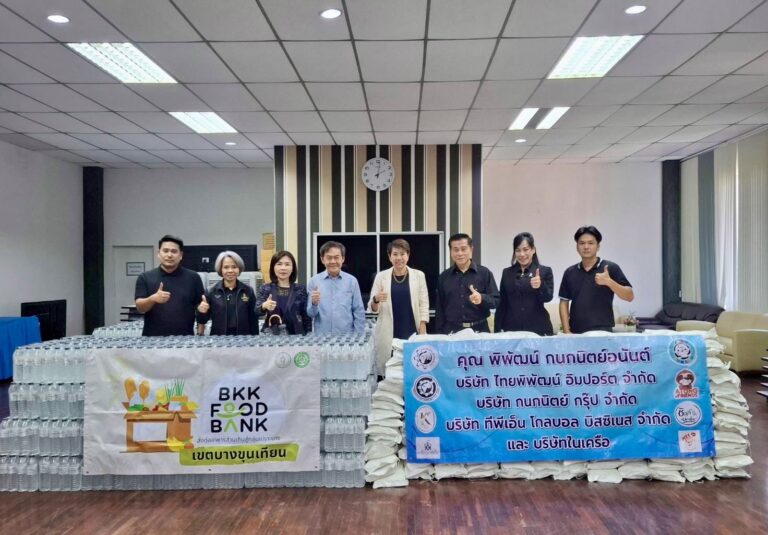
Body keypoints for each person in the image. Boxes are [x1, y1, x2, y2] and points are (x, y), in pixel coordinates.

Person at [368, 239, 430, 373]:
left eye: (402, 254)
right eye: (395, 254)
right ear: (389, 256)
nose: (399, 258)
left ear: (408, 255)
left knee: (414, 369)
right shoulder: (381, 277)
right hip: (388, 331)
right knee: (389, 372)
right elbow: (372, 309)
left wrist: (423, 328)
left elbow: (424, 303)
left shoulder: (419, 275)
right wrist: (376, 300)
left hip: (412, 329)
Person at [558, 225, 634, 334]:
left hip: (602, 331)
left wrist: (609, 282)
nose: (586, 247)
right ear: (577, 247)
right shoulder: (570, 272)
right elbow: (564, 302)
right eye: (582, 243)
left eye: (591, 243)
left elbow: (629, 296)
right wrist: (566, 331)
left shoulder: (610, 268)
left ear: (598, 246)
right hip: (576, 332)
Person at [135, 234, 205, 336]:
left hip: (185, 339)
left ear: (181, 255)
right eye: (165, 251)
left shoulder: (193, 278)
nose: (169, 255)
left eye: (174, 251)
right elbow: (140, 308)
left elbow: (201, 307)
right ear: (158, 253)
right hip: (152, 339)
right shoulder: (145, 277)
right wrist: (153, 299)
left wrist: (200, 332)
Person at [435, 233, 500, 334]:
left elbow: (496, 301)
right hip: (452, 331)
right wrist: (440, 334)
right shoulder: (444, 276)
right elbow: (440, 309)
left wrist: (481, 298)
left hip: (479, 330)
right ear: (450, 251)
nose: (460, 253)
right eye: (456, 249)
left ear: (471, 249)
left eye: (463, 249)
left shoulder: (484, 273)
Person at [494, 232, 554, 336]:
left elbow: (548, 298)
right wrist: (497, 330)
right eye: (518, 250)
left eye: (526, 249)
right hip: (511, 330)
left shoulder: (544, 271)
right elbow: (502, 303)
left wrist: (540, 286)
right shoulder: (507, 273)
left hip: (538, 329)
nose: (522, 254)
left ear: (533, 250)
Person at [307, 241, 365, 334]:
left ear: (343, 258)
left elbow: (358, 311)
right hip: (322, 337)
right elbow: (310, 314)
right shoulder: (314, 282)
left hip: (346, 337)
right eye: (329, 258)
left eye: (336, 257)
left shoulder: (352, 281)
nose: (333, 261)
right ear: (322, 259)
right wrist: (314, 303)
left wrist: (358, 336)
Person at [196, 251, 258, 336]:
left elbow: (253, 319)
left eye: (234, 267)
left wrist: (255, 339)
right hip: (218, 339)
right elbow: (202, 320)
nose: (230, 270)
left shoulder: (248, 291)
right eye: (226, 267)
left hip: (244, 338)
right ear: (220, 269)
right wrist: (201, 311)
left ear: (239, 269)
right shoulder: (211, 291)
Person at [255, 250, 312, 335]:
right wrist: (264, 306)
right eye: (279, 264)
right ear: (273, 267)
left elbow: (306, 316)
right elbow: (256, 311)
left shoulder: (300, 289)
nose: (283, 268)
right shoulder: (266, 288)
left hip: (296, 335)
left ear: (292, 268)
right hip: (272, 335)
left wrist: (309, 333)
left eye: (287, 264)